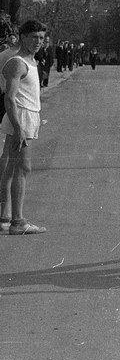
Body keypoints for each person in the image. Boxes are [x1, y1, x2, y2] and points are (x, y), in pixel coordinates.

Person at [0, 20, 48, 235]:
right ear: (22, 37)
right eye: (34, 37)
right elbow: (9, 98)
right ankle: (18, 222)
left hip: (29, 116)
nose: (38, 42)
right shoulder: (17, 62)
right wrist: (19, 127)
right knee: (23, 167)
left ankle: (6, 217)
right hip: (20, 118)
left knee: (12, 167)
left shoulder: (31, 61)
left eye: (41, 38)